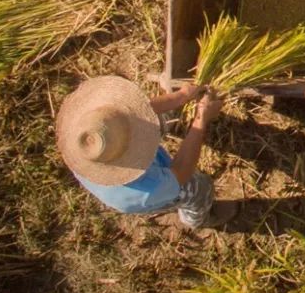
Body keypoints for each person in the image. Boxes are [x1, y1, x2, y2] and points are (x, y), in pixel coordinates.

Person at [55, 74, 236, 230]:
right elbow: (182, 171)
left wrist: (181, 96)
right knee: (199, 188)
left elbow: (139, 110)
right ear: (127, 152)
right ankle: (197, 220)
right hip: (153, 191)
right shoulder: (145, 189)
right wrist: (201, 119)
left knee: (160, 116)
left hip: (114, 152)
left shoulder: (84, 129)